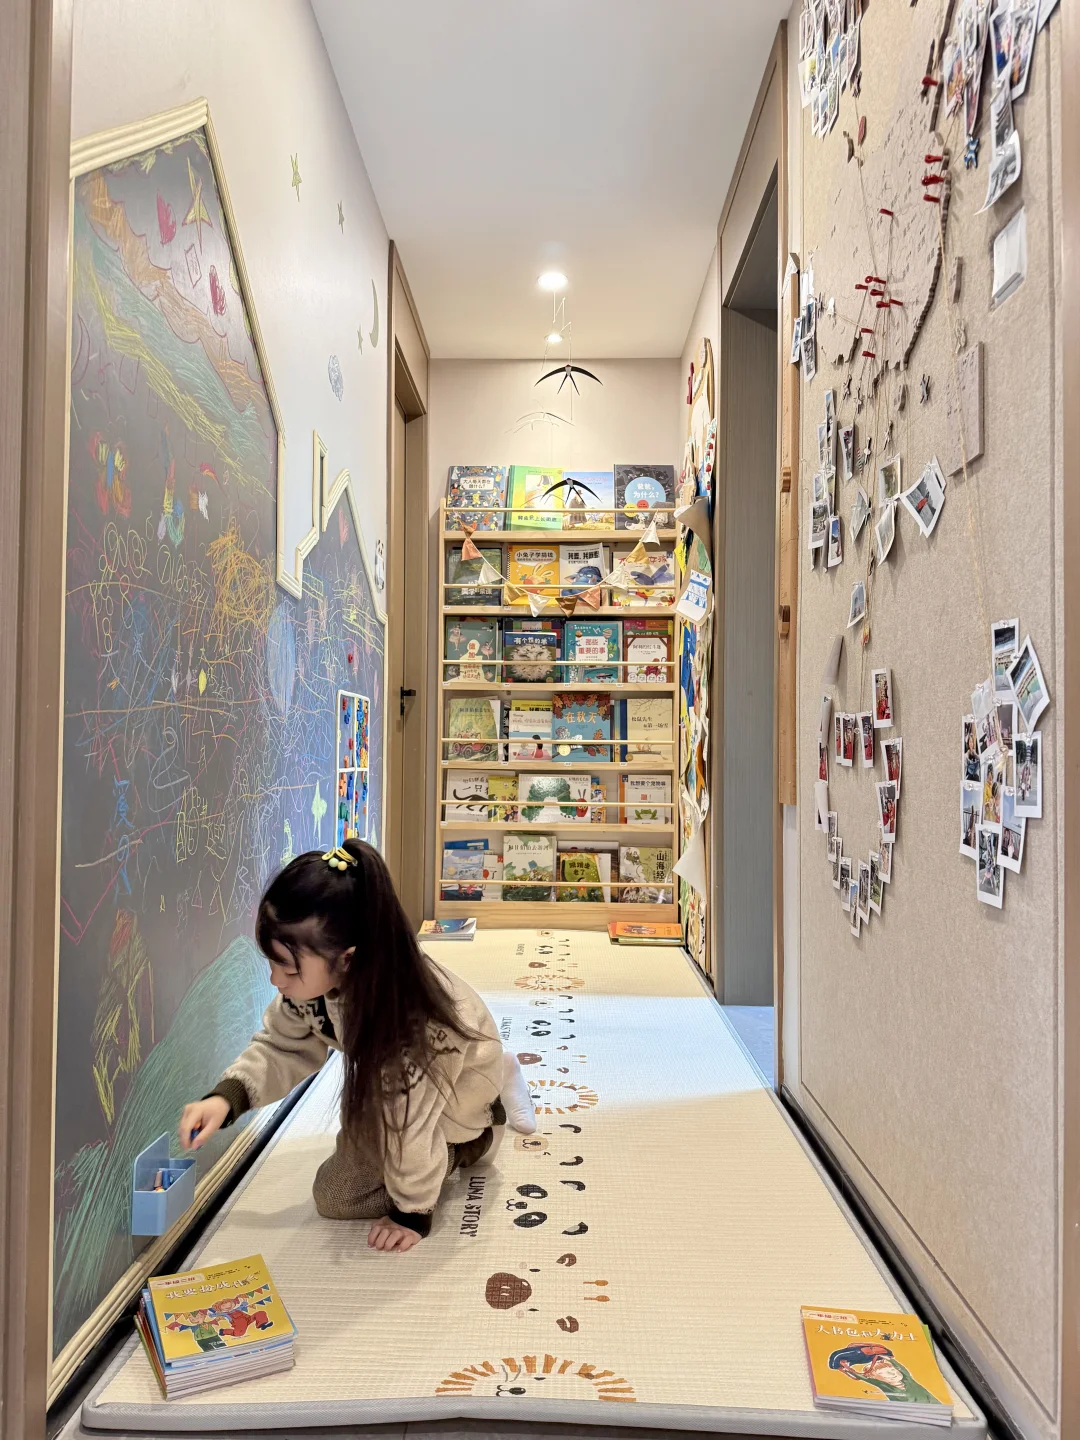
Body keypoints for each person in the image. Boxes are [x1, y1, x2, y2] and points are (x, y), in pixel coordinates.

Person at [179, 840, 535, 1253]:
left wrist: (412, 1213)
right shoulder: (320, 985)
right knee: (336, 1191)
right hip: (408, 1082)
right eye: (272, 964)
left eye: (287, 969)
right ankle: (499, 1077)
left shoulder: (412, 1029)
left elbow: (409, 1123)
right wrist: (227, 1098)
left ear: (347, 959)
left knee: (344, 1196)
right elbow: (282, 1045)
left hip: (460, 1088)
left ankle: (482, 1130)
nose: (276, 980)